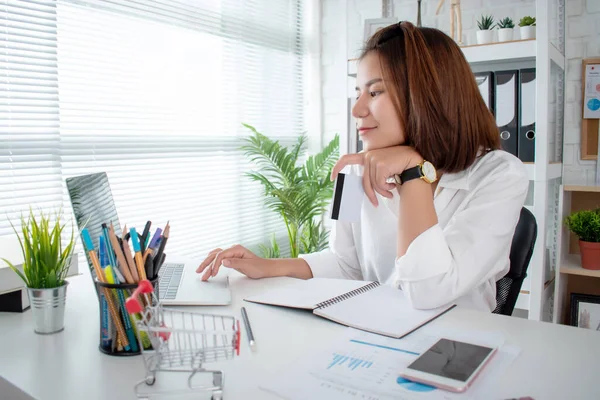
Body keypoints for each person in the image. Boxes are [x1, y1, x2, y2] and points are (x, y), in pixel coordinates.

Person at [197, 22, 528, 313]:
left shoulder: (501, 175)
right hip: (375, 333)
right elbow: (344, 262)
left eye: (375, 92)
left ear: (428, 96)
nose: (357, 109)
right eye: (358, 92)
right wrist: (267, 267)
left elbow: (429, 291)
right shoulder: (352, 174)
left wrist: (414, 171)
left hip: (456, 346)